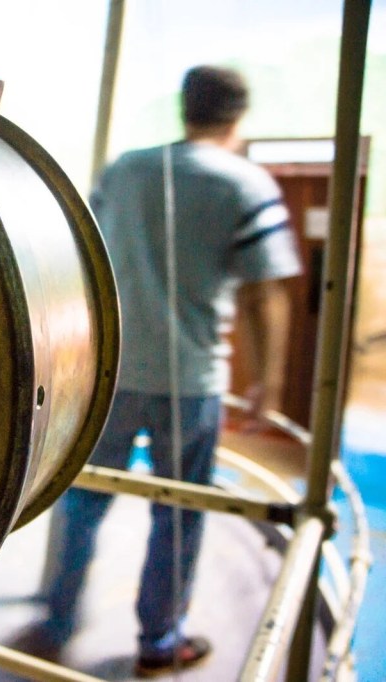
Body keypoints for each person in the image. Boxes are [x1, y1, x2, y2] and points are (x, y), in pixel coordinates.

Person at [40, 65, 302, 677]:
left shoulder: (126, 170)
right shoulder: (245, 184)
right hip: (190, 380)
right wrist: (268, 382)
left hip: (108, 373)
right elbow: (265, 293)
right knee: (178, 513)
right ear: (237, 116)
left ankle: (57, 613)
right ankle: (159, 640)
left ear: (186, 108)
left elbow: (84, 257)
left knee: (83, 494)